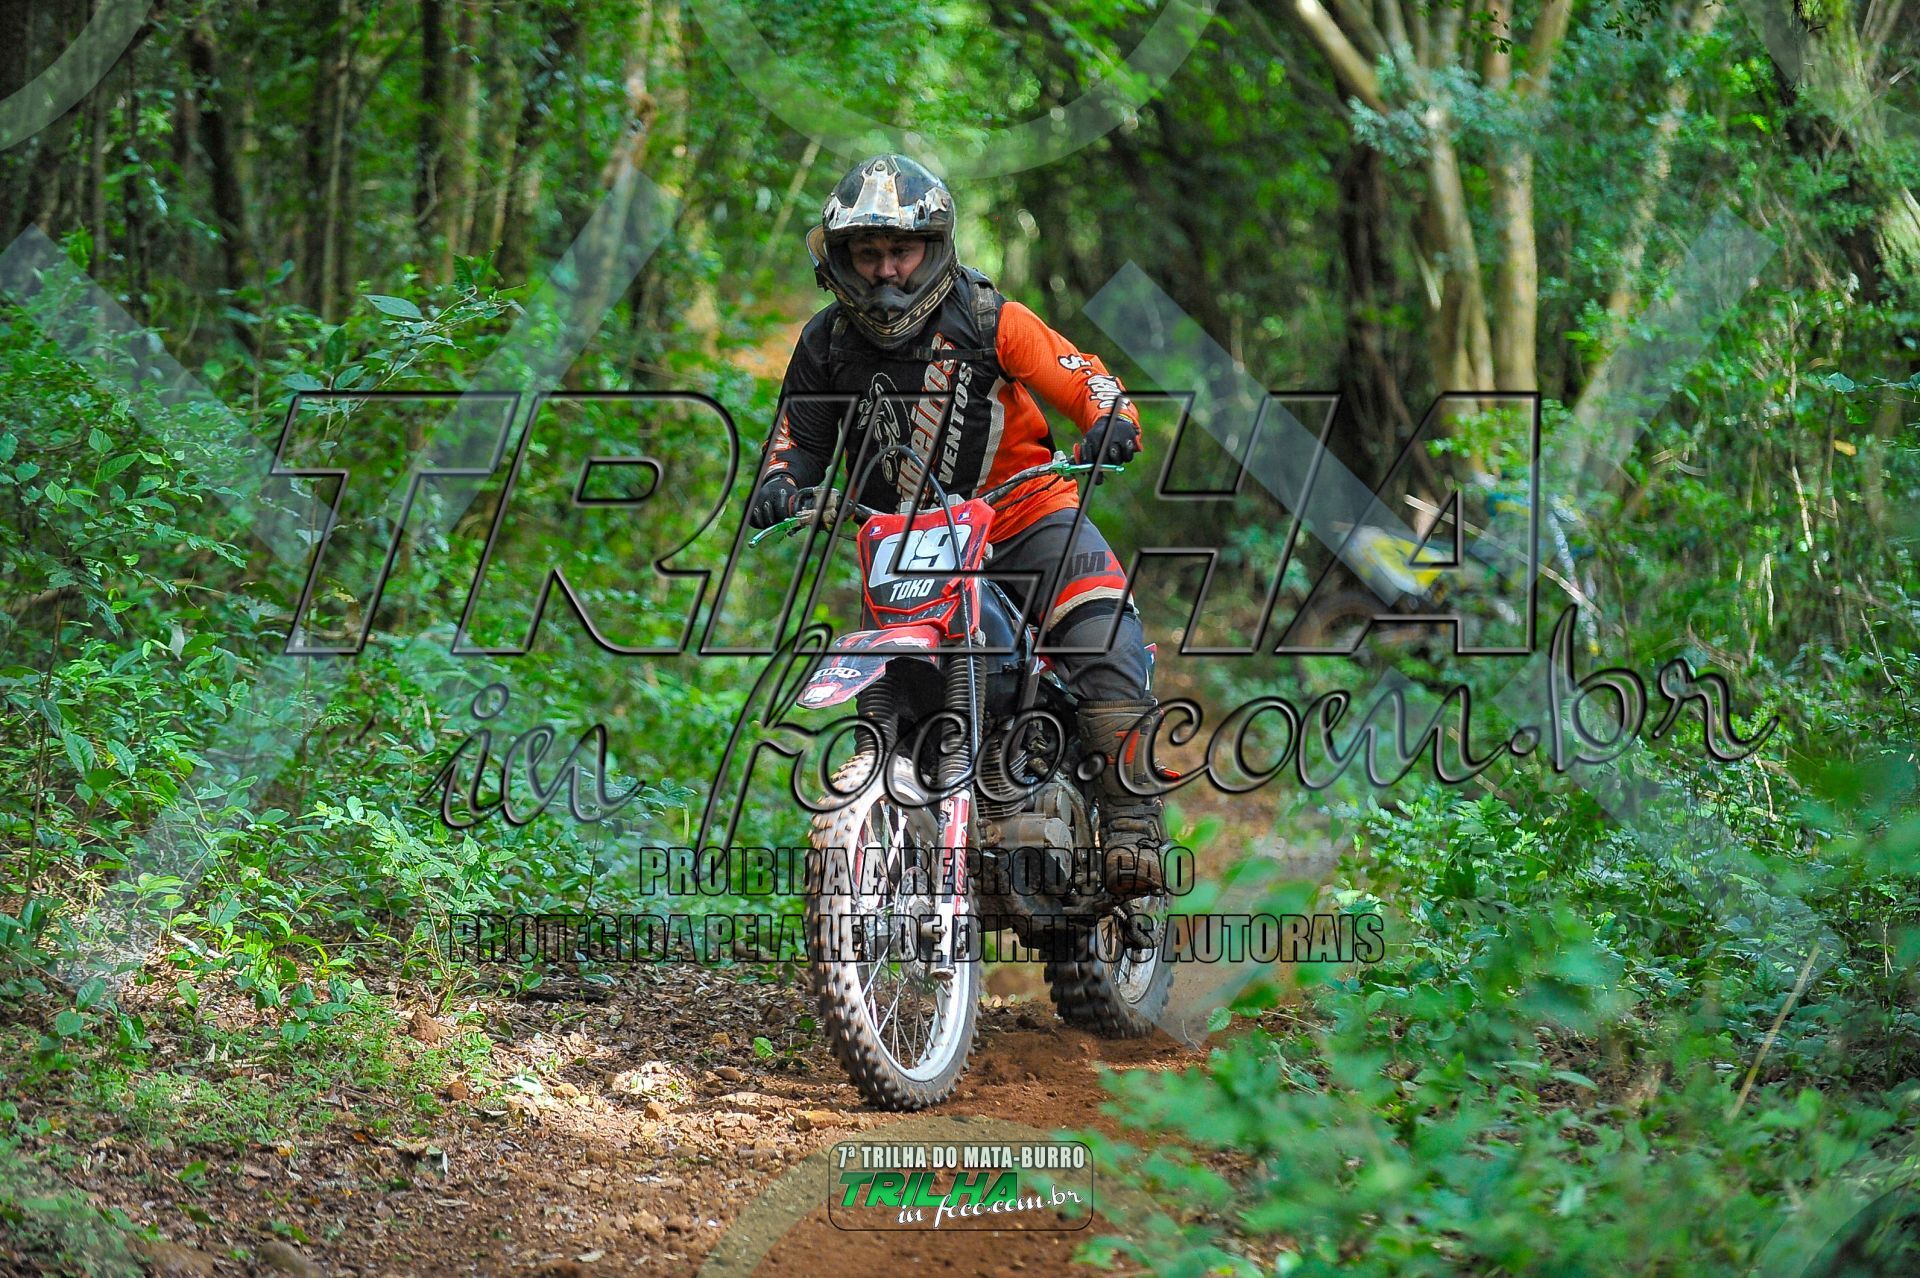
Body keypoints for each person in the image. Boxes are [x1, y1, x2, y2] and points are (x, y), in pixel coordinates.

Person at [747, 154, 1167, 896]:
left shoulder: (990, 318)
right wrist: (780, 484)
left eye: (900, 250)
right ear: (840, 258)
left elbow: (1086, 379)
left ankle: (1132, 827)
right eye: (867, 253)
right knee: (893, 677)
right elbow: (797, 441)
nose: (885, 270)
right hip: (906, 540)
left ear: (935, 247)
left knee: (1099, 627)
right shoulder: (825, 343)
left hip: (1022, 514)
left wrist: (1111, 422)